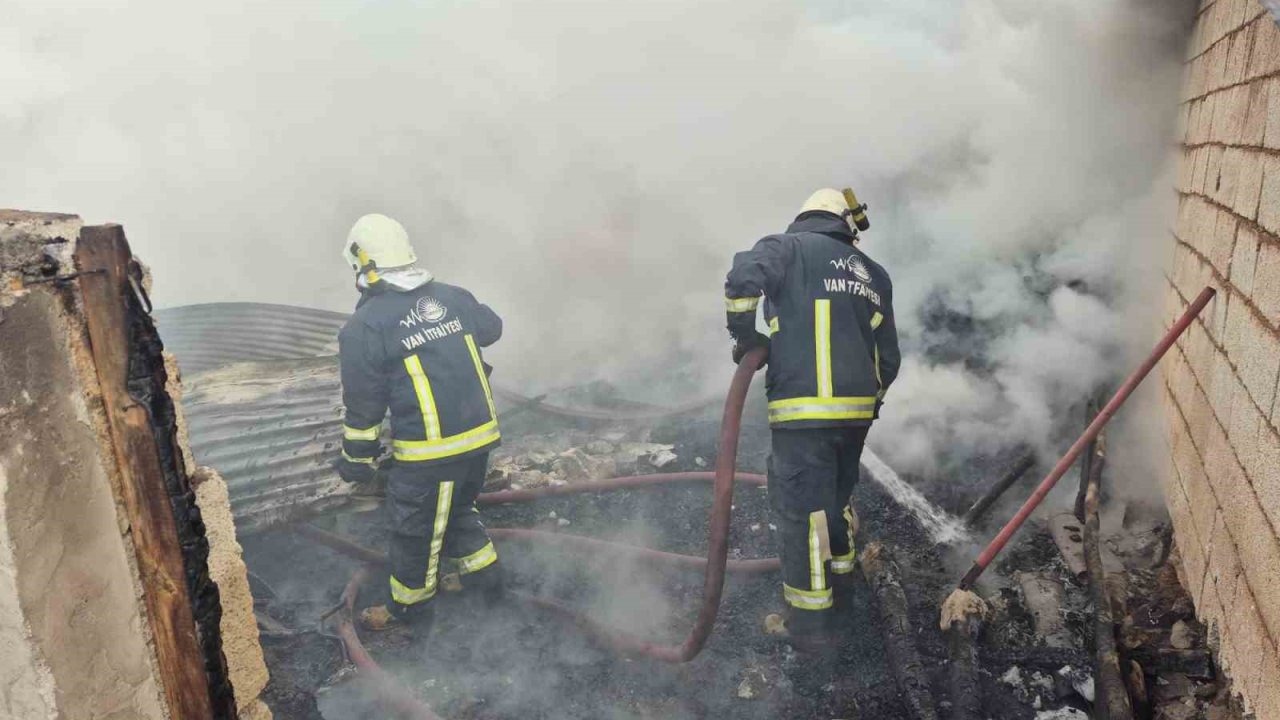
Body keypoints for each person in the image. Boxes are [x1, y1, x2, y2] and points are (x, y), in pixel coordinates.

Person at [723, 188, 901, 645]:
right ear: (844, 222)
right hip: (856, 416)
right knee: (836, 500)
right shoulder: (873, 274)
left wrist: (746, 336)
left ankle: (809, 626)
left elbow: (743, 277)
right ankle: (841, 583)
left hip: (802, 415)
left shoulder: (786, 248)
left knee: (801, 514)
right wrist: (869, 403)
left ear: (805, 216)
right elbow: (889, 358)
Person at [335, 213, 505, 632]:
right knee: (458, 510)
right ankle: (489, 583)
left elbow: (364, 404)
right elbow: (493, 329)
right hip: (479, 441)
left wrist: (356, 459)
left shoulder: (365, 327)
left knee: (415, 533)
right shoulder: (453, 296)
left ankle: (407, 612)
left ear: (363, 267)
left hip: (430, 456)